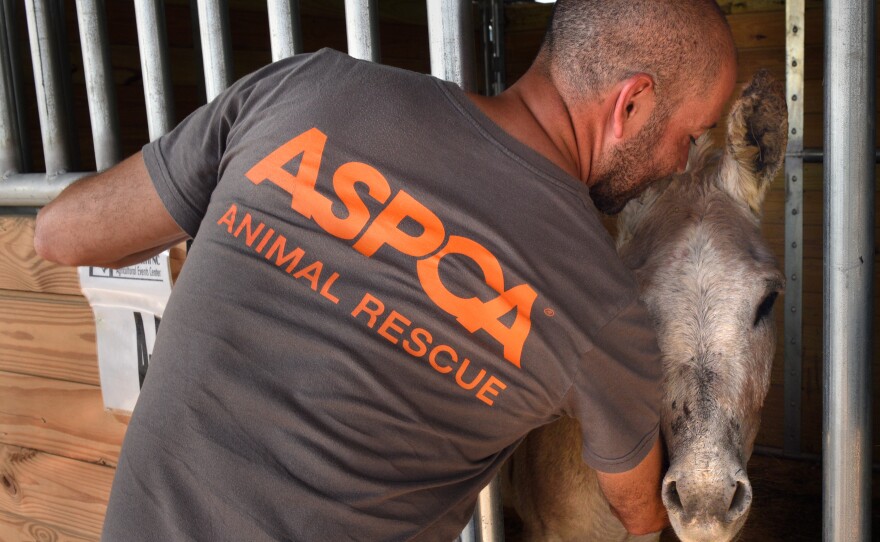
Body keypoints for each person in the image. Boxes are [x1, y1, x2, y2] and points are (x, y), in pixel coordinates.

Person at [34, 0, 736, 540]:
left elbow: (60, 234)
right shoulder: (603, 310)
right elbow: (640, 513)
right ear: (632, 103)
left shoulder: (303, 90)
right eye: (690, 133)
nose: (680, 162)